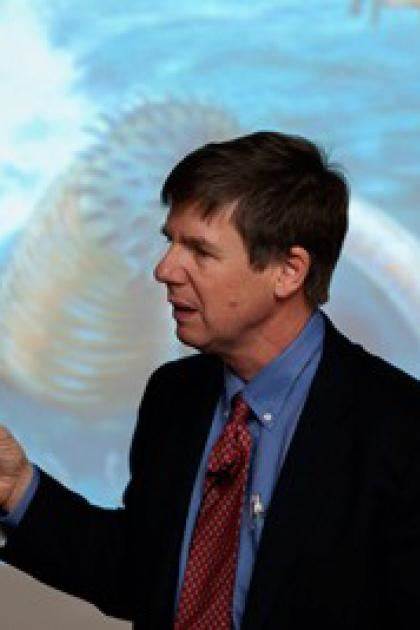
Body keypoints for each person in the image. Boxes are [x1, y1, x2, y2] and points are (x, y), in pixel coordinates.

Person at [0, 131, 419, 630]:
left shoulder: (399, 427)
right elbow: (141, 575)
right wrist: (18, 488)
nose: (164, 269)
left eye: (199, 250)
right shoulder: (173, 394)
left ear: (288, 271)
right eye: (170, 241)